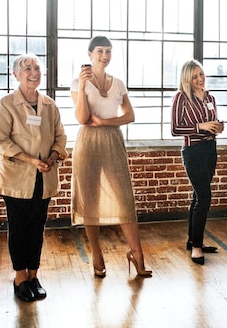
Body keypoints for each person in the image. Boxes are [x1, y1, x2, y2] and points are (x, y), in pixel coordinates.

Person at [71, 36, 152, 278]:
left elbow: (129, 115)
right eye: (99, 51)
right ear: (89, 54)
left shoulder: (118, 83)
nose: (104, 55)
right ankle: (96, 254)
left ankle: (137, 255)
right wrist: (85, 87)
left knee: (125, 199)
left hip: (113, 141)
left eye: (108, 51)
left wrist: (105, 121)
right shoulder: (78, 83)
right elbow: (83, 119)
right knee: (90, 200)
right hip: (87, 143)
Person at [0, 54, 68, 302]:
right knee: (19, 228)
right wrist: (30, 159)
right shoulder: (6, 103)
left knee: (37, 228)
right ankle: (20, 277)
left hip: (43, 178)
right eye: (27, 68)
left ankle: (34, 275)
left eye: (37, 67)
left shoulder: (49, 104)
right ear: (16, 74)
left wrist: (53, 157)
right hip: (16, 178)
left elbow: (60, 137)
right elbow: (1, 140)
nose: (33, 72)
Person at [171, 60, 224, 265]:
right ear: (187, 79)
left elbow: (214, 122)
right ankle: (196, 246)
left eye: (201, 74)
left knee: (198, 196)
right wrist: (201, 126)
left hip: (210, 149)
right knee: (204, 197)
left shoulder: (210, 96)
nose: (200, 79)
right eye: (195, 76)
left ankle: (193, 240)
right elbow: (176, 129)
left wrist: (218, 127)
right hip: (192, 151)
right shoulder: (181, 98)